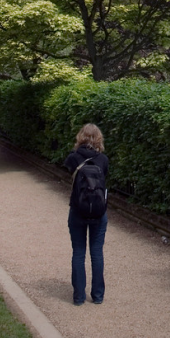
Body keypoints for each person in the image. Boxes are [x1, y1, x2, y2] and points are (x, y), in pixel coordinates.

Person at [63, 123, 109, 306]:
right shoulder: (103, 159)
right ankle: (97, 295)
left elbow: (68, 174)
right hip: (99, 212)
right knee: (97, 253)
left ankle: (79, 296)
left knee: (78, 252)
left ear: (80, 137)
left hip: (77, 210)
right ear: (98, 138)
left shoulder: (73, 158)